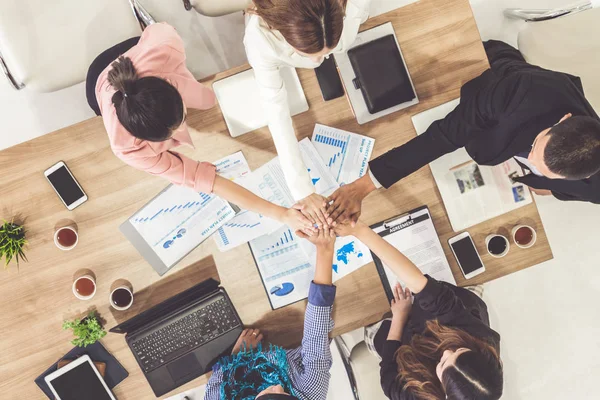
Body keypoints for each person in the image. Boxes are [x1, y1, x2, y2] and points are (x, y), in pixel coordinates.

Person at [327, 40, 600, 224]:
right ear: (564, 119)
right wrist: (363, 186)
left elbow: (563, 188)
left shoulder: (594, 188)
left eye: (544, 168)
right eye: (536, 148)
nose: (530, 156)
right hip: (489, 74)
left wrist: (548, 186)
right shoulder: (519, 92)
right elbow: (444, 136)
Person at [88, 22, 314, 234]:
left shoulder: (164, 46)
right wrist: (282, 214)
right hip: (99, 84)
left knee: (208, 101)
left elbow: (159, 30)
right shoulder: (127, 149)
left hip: (142, 57)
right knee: (207, 101)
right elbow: (202, 179)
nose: (180, 134)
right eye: (168, 137)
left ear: (172, 88)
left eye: (181, 120)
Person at [335, 221, 503, 400]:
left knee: (369, 320)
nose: (446, 351)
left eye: (444, 363)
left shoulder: (415, 395)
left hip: (400, 342)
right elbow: (427, 289)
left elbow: (388, 377)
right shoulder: (480, 341)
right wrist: (361, 231)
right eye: (459, 351)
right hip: (450, 310)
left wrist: (399, 317)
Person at [244, 0, 371, 227]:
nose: (317, 61)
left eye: (326, 52)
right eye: (307, 53)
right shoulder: (260, 38)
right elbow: (275, 110)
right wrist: (302, 189)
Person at [204, 227, 338, 400]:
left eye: (270, 393)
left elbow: (214, 384)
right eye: (284, 393)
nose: (277, 386)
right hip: (291, 342)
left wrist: (237, 356)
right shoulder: (311, 391)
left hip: (242, 353)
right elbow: (316, 334)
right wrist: (325, 249)